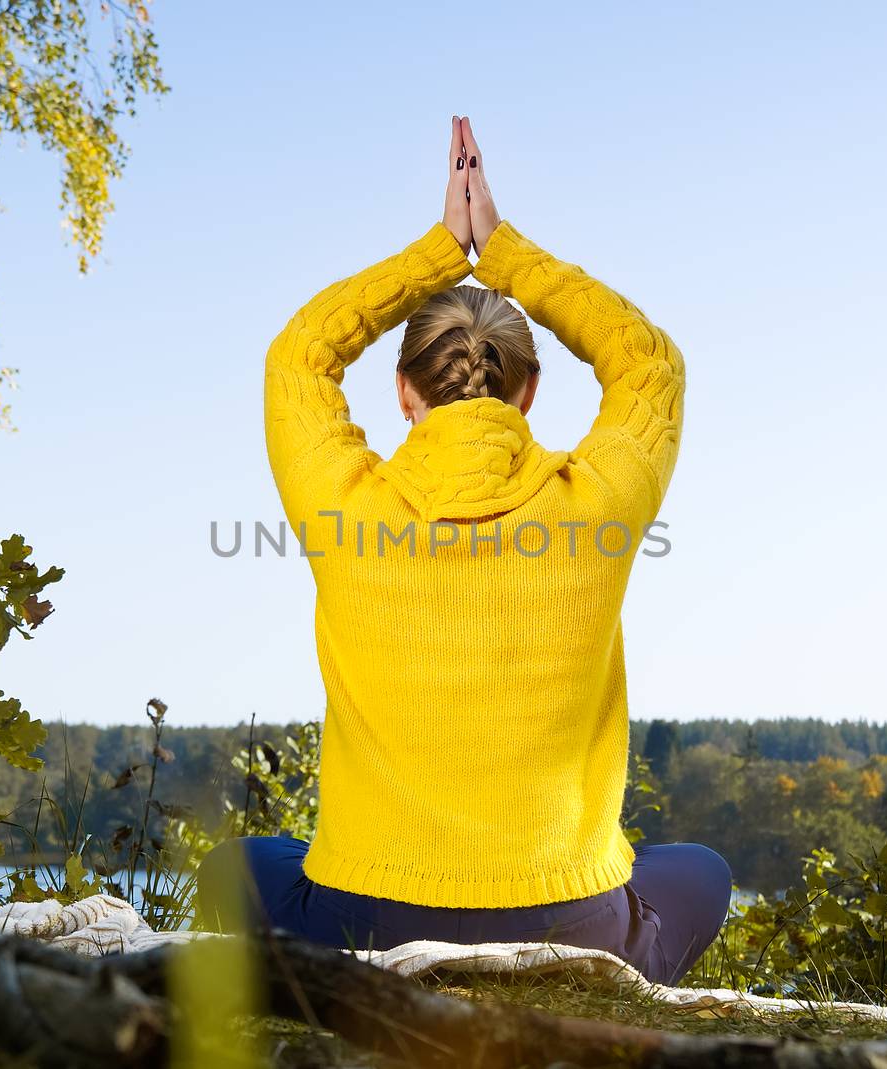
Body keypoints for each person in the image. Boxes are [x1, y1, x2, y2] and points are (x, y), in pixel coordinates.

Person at [195, 115, 731, 986]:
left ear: (403, 392)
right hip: (570, 918)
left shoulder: (346, 501)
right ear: (529, 391)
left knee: (237, 864)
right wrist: (501, 248)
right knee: (702, 870)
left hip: (365, 915)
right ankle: (597, 979)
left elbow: (298, 360)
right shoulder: (597, 500)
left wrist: (441, 250)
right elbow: (649, 367)